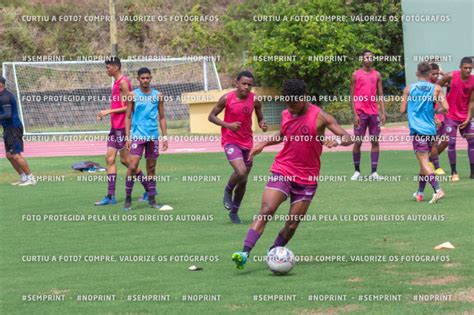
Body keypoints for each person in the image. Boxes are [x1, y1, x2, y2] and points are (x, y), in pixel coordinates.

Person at [231, 79, 353, 269]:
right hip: (283, 169)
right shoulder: (286, 113)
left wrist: (336, 142)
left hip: (307, 178)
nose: (291, 108)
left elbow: (347, 137)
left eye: (294, 104)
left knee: (292, 224)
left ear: (303, 98)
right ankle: (244, 253)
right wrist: (263, 143)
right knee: (266, 210)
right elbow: (282, 135)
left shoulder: (321, 117)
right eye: (288, 104)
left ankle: (273, 253)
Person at [208, 71, 267, 224]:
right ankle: (227, 190)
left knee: (243, 180)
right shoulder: (227, 98)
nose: (246, 87)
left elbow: (260, 117)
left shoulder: (255, 101)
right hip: (230, 141)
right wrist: (227, 125)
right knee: (240, 172)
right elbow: (211, 116)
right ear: (237, 83)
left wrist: (262, 124)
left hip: (248, 143)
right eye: (244, 84)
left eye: (249, 85)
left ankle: (234, 212)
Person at [95, 57, 148, 206]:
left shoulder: (124, 82)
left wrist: (108, 111)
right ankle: (110, 196)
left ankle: (149, 189)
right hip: (114, 127)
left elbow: (129, 106)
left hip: (122, 128)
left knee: (126, 161)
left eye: (108, 67)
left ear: (115, 67)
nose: (106, 70)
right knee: (110, 159)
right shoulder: (116, 82)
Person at [400, 62, 448, 203]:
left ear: (416, 73)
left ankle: (438, 190)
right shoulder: (437, 88)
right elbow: (446, 107)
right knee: (424, 163)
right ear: (429, 74)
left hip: (418, 131)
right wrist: (434, 111)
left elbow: (402, 110)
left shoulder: (409, 89)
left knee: (424, 162)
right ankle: (419, 193)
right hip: (431, 131)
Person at [124, 67, 168, 210]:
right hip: (137, 136)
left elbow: (162, 117)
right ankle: (128, 198)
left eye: (147, 78)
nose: (145, 80)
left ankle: (152, 199)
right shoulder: (132, 95)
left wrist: (165, 137)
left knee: (151, 168)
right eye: (142, 78)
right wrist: (127, 137)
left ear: (151, 78)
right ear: (138, 79)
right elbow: (128, 116)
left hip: (153, 137)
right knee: (132, 166)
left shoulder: (158, 95)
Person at [350, 50, 386, 180]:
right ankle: (357, 171)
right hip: (360, 112)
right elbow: (352, 96)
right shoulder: (355, 74)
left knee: (375, 141)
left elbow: (380, 94)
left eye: (371, 57)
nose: (369, 59)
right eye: (367, 57)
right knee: (358, 141)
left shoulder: (377, 75)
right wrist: (355, 114)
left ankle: (374, 172)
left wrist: (383, 112)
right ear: (362, 59)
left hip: (374, 113)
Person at [438, 57, 474, 181]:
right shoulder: (450, 76)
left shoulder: (473, 81)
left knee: (472, 142)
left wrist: (468, 117)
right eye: (465, 68)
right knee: (451, 142)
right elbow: (437, 88)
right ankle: (454, 172)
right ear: (460, 67)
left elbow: (472, 101)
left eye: (470, 68)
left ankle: (472, 172)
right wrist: (442, 102)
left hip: (465, 117)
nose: (468, 70)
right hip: (450, 116)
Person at [0, 76, 36, 186]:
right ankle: (23, 177)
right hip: (8, 128)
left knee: (15, 155)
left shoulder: (5, 97)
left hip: (13, 128)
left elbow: (7, 114)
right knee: (9, 155)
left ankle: (31, 178)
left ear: (1, 84)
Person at [428, 63, 447, 175]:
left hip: (443, 117)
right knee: (434, 142)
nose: (435, 76)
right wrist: (435, 117)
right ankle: (437, 166)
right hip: (432, 118)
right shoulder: (427, 86)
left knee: (446, 141)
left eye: (437, 73)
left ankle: (430, 159)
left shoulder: (438, 84)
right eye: (433, 74)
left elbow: (451, 82)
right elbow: (428, 105)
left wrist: (441, 73)